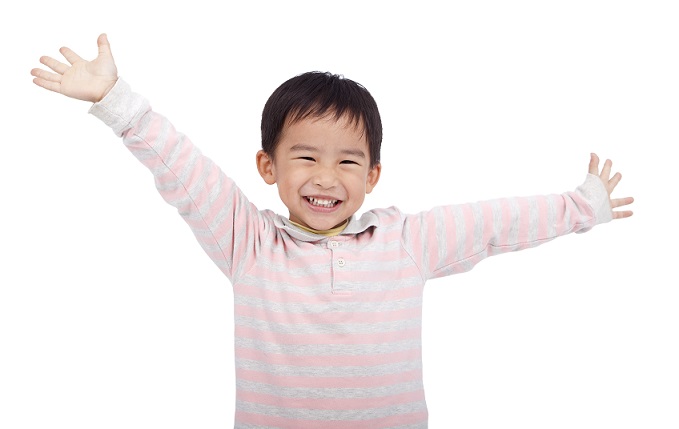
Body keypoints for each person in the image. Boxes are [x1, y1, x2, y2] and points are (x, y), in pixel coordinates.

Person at [31, 33, 634, 429]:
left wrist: (583, 206)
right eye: (305, 157)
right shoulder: (248, 242)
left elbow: (496, 223)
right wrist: (114, 99)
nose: (326, 177)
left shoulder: (407, 241)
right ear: (267, 166)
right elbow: (181, 167)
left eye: (348, 161)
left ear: (373, 175)